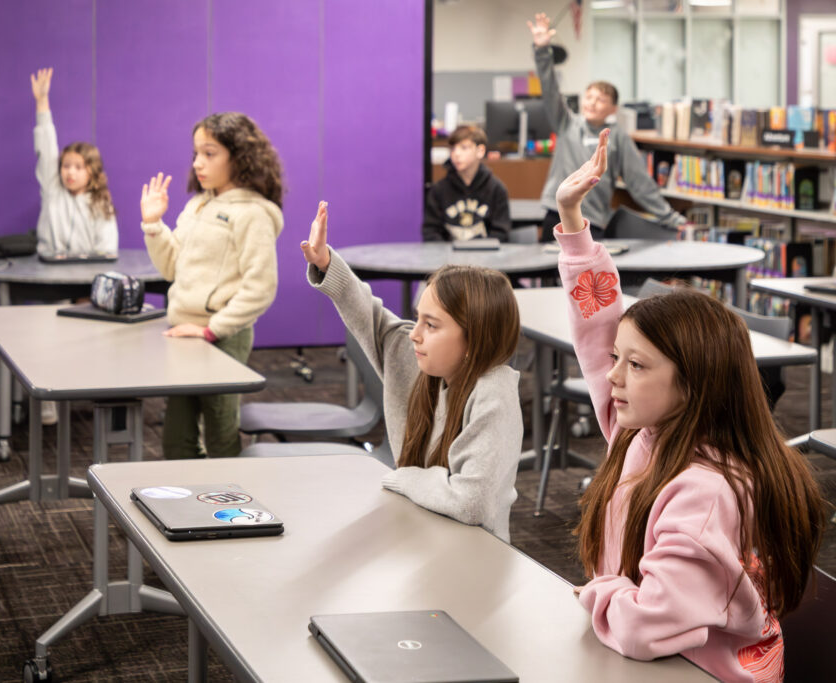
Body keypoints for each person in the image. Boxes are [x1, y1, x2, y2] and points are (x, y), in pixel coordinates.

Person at [555, 129, 826, 681]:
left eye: (635, 366)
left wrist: (602, 589)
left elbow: (641, 626)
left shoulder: (703, 490)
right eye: (617, 360)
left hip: (702, 673)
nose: (611, 377)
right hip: (660, 663)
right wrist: (573, 222)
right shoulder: (643, 431)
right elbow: (599, 324)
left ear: (692, 384)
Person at [302, 201, 523, 541]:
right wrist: (326, 263)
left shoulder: (494, 394)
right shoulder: (418, 360)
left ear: (474, 338)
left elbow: (472, 503)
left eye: (431, 325)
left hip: (473, 557)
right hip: (418, 534)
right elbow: (371, 317)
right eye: (418, 317)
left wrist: (406, 477)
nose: (415, 333)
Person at [139, 112, 284, 459]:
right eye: (196, 154)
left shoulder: (253, 212)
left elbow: (261, 286)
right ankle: (186, 508)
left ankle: (229, 506)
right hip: (184, 332)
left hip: (222, 336)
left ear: (239, 156)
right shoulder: (198, 204)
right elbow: (172, 266)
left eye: (209, 153)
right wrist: (153, 225)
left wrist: (212, 330)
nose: (198, 163)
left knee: (221, 435)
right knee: (177, 439)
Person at [528, 12, 685, 240]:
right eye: (589, 96)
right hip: (557, 214)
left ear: (613, 109)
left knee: (587, 276)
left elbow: (639, 183)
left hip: (593, 221)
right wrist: (542, 50)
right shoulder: (566, 124)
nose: (592, 102)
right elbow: (550, 89)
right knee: (553, 274)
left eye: (600, 99)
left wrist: (670, 218)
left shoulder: (618, 138)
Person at [31, 67, 119, 425]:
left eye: (77, 167)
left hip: (86, 286)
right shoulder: (53, 193)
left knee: (100, 329)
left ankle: (106, 397)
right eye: (65, 166)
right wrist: (42, 104)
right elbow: (46, 145)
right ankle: (48, 396)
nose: (68, 172)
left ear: (91, 172)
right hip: (51, 283)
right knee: (47, 333)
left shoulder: (102, 205)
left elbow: (108, 252)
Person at [423, 125, 510, 243]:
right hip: (448, 259)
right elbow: (430, 231)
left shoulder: (496, 189)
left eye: (464, 148)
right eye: (453, 149)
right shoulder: (438, 190)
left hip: (485, 258)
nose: (456, 154)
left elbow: (501, 233)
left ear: (480, 151)